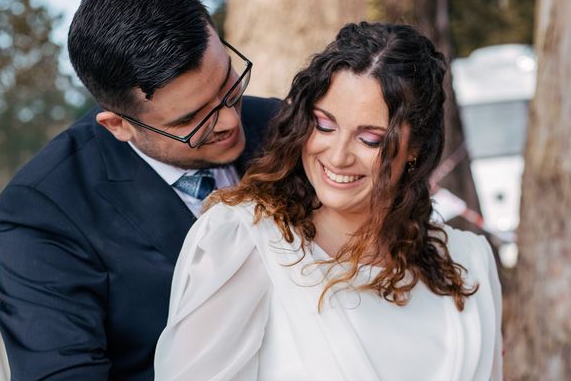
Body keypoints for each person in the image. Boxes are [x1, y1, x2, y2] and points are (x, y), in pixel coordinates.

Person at [155, 22, 503, 380]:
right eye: (324, 124)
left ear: (415, 148)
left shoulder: (469, 262)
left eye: (369, 139)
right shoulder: (244, 240)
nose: (337, 156)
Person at [0, 0, 278, 380]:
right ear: (118, 126)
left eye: (229, 83)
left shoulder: (281, 124)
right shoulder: (47, 207)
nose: (231, 120)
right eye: (192, 119)